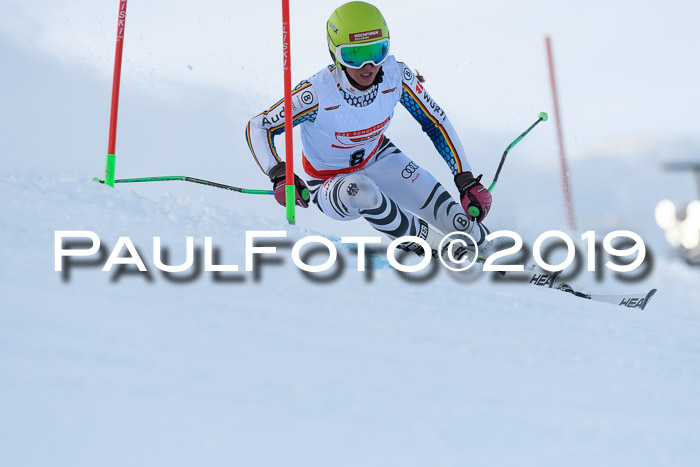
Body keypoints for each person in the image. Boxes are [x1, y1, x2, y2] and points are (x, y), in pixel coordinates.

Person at [245, 1, 495, 260]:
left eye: (378, 51)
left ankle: (503, 256)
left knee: (457, 220)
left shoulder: (396, 76)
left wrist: (465, 178)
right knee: (362, 190)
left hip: (380, 158)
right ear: (335, 55)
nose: (368, 66)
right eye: (353, 55)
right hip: (329, 182)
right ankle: (431, 248)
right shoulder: (316, 94)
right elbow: (259, 126)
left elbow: (436, 122)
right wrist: (279, 174)